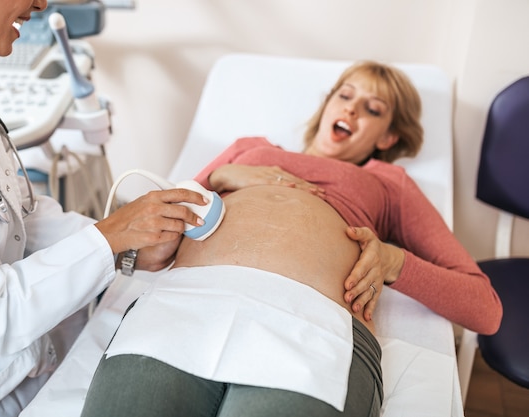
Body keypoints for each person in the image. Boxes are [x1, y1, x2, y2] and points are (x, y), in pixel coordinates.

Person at [79, 60, 503, 417]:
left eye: (372, 109)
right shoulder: (249, 148)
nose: (352, 110)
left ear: (388, 138)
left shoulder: (389, 183)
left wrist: (395, 262)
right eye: (345, 95)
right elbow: (157, 233)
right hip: (187, 303)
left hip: (311, 326)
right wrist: (219, 177)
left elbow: (485, 310)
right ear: (326, 105)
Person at [0, 1, 209, 416]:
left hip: (26, 367)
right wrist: (111, 236)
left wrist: (125, 247)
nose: (43, 3)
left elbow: (16, 212)